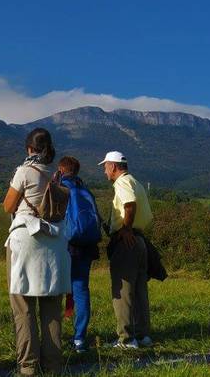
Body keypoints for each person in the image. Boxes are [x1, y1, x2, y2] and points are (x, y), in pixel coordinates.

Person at [3, 128, 71, 376]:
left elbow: (8, 205)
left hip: (26, 240)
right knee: (52, 307)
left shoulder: (24, 171)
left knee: (23, 306)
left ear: (29, 148)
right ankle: (53, 367)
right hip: (54, 242)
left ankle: (28, 366)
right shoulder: (56, 176)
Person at [99, 151, 153, 349]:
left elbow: (129, 205)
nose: (105, 171)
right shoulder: (135, 182)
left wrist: (125, 229)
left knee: (122, 291)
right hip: (140, 240)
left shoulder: (121, 183)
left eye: (105, 167)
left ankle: (126, 339)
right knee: (139, 290)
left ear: (113, 166)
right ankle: (143, 335)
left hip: (127, 241)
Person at [57, 156, 101, 353]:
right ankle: (79, 339)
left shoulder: (61, 188)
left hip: (67, 244)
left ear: (61, 169)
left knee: (56, 290)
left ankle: (54, 337)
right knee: (81, 289)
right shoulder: (85, 189)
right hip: (87, 245)